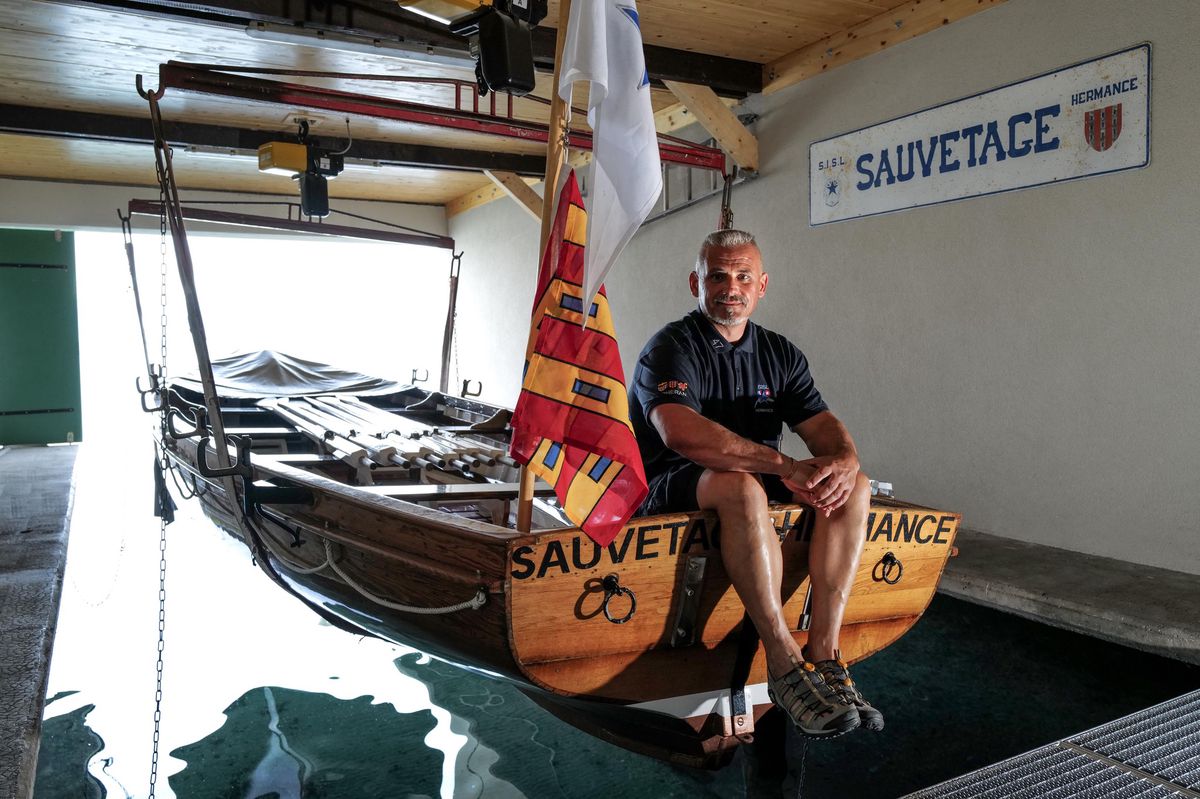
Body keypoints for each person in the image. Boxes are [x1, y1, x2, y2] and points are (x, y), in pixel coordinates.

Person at [628, 229, 882, 738]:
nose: (731, 287)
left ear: (761, 285)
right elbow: (681, 434)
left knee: (856, 486)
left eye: (743, 276)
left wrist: (846, 460)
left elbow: (822, 425)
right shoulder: (671, 347)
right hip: (668, 484)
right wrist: (788, 468)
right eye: (718, 275)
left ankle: (826, 655)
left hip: (758, 478)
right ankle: (784, 662)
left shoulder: (778, 352)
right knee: (739, 487)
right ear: (695, 282)